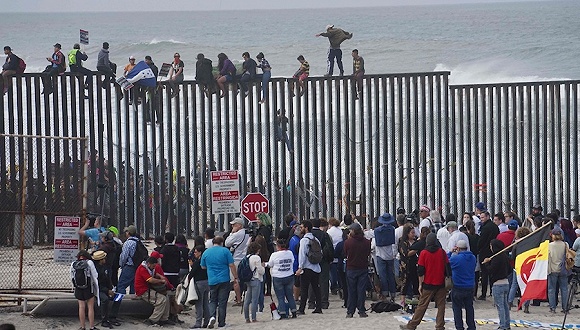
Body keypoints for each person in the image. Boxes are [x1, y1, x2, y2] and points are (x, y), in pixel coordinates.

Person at [400, 233, 449, 330]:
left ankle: (412, 325)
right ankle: (440, 326)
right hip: (440, 282)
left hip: (428, 282)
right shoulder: (441, 252)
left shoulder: (424, 253)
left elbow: (421, 271)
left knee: (422, 306)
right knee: (441, 306)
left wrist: (420, 284)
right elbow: (447, 267)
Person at [201, 236, 238, 328]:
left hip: (212, 279)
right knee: (222, 302)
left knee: (212, 300)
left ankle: (212, 316)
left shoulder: (206, 252)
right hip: (224, 279)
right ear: (222, 243)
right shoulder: (225, 251)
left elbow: (203, 266)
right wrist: (235, 277)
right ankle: (221, 322)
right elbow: (231, 265)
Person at [109, 225, 140, 325]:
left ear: (128, 233)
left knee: (120, 288)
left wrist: (122, 265)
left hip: (129, 267)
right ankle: (134, 310)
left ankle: (114, 311)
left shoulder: (128, 243)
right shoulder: (139, 242)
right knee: (133, 288)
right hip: (137, 268)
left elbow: (123, 257)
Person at [135, 256, 173, 326]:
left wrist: (160, 276)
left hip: (149, 289)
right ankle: (153, 319)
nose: (154, 267)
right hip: (143, 291)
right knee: (162, 299)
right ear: (149, 264)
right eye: (153, 266)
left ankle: (164, 318)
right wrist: (161, 280)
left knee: (166, 296)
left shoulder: (149, 268)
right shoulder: (142, 269)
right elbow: (150, 280)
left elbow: (154, 273)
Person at [344, 222, 371, 318]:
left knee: (351, 290)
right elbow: (368, 253)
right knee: (361, 290)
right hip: (363, 267)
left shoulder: (348, 242)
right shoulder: (367, 242)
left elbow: (345, 253)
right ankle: (361, 310)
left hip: (351, 267)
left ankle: (350, 311)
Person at [483, 240, 512, 330]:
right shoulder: (505, 256)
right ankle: (507, 324)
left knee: (500, 306)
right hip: (506, 283)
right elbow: (510, 269)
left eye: (491, 246)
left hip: (498, 284)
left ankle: (503, 325)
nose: (490, 248)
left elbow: (491, 270)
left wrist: (487, 263)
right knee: (505, 306)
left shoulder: (496, 258)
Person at [295, 220, 323, 314]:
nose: (301, 229)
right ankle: (319, 307)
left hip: (306, 267)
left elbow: (302, 254)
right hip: (316, 267)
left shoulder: (304, 240)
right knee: (316, 288)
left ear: (306, 228)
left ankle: (302, 309)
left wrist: (300, 267)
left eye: (302, 227)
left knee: (304, 290)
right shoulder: (315, 239)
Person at [448, 240, 476, 330]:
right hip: (470, 286)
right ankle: (471, 326)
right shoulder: (473, 257)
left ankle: (459, 327)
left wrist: (450, 252)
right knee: (469, 307)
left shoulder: (455, 259)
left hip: (458, 286)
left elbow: (446, 262)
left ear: (458, 248)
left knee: (457, 308)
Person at [266, 238, 297, 319]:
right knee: (290, 295)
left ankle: (283, 313)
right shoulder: (290, 253)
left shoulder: (274, 255)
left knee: (280, 296)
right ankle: (294, 312)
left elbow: (270, 264)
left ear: (278, 246)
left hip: (278, 277)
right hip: (289, 275)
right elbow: (292, 261)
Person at [70, 250, 99, 330]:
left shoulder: (73, 264)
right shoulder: (89, 263)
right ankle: (92, 327)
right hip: (89, 288)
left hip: (78, 288)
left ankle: (82, 327)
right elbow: (95, 275)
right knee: (90, 307)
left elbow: (71, 276)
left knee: (81, 307)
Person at [224, 217, 249, 305]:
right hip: (245, 258)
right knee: (244, 279)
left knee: (235, 280)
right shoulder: (247, 233)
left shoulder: (236, 234)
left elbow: (227, 243)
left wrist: (232, 233)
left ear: (239, 225)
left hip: (236, 259)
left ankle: (238, 299)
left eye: (234, 225)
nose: (232, 226)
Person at [159, 232, 184, 324]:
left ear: (165, 239)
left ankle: (168, 313)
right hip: (175, 273)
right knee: (174, 294)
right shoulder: (177, 249)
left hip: (166, 273)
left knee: (166, 294)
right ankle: (174, 314)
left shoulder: (164, 249)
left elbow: (161, 261)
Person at [373, 213, 397, 302]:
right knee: (391, 274)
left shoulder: (377, 231)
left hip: (380, 255)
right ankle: (393, 293)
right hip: (390, 255)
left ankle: (384, 293)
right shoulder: (392, 229)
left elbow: (368, 234)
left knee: (383, 275)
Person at [477, 211, 499, 300]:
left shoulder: (485, 228)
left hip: (484, 252)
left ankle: (483, 293)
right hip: (493, 251)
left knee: (485, 273)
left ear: (487, 217)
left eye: (483, 217)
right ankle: (492, 292)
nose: (481, 219)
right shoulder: (495, 227)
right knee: (492, 272)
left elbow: (481, 241)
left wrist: (478, 247)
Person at [547, 226, 569, 313]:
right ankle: (565, 307)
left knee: (551, 289)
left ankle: (552, 307)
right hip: (563, 269)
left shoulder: (550, 245)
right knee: (564, 289)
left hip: (553, 269)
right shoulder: (565, 244)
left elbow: (548, 258)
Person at [243, 242, 265, 323]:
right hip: (255, 278)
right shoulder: (256, 257)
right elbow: (260, 270)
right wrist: (263, 267)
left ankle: (246, 318)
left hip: (248, 279)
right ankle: (254, 318)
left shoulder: (247, 257)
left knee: (247, 300)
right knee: (254, 299)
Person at [188, 245, 210, 329]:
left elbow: (192, 273)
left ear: (200, 252)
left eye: (196, 252)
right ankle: (206, 321)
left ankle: (198, 323)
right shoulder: (206, 261)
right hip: (207, 282)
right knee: (205, 303)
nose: (194, 254)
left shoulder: (198, 262)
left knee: (199, 303)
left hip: (199, 282)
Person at [92, 250, 114, 328]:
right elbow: (97, 284)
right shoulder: (96, 270)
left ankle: (111, 317)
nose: (106, 259)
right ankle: (104, 320)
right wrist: (107, 291)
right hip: (98, 289)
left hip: (105, 288)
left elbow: (108, 279)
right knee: (105, 299)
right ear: (100, 260)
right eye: (104, 258)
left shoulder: (104, 267)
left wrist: (111, 288)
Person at [398, 223, 418, 301]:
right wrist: (416, 249)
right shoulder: (402, 241)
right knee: (405, 284)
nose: (414, 234)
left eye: (414, 232)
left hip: (415, 264)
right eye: (412, 233)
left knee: (416, 282)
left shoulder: (416, 240)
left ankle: (417, 301)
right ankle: (402, 302)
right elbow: (406, 253)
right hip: (405, 266)